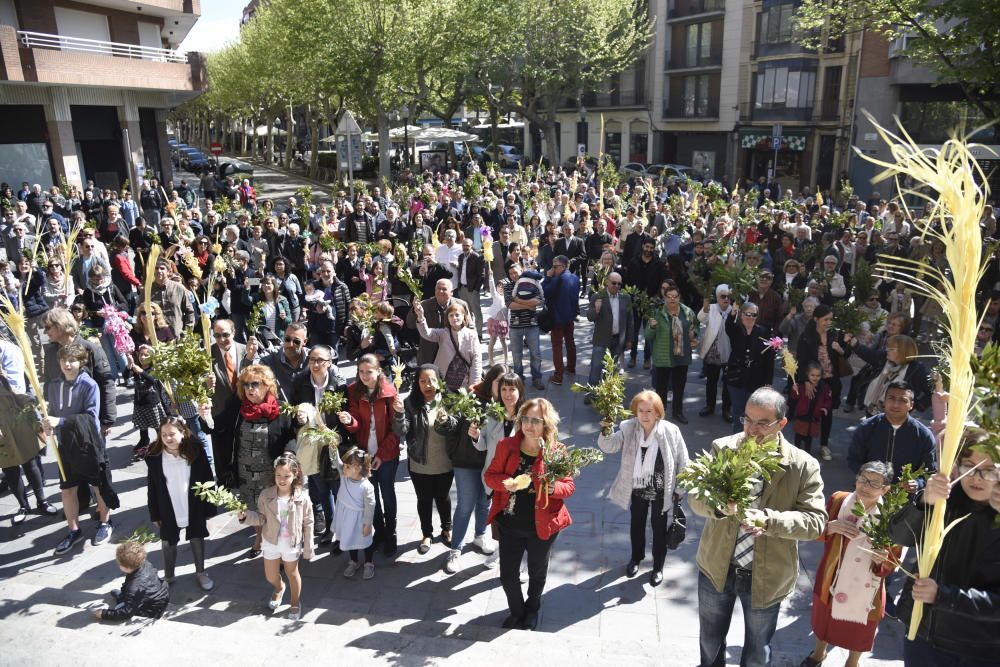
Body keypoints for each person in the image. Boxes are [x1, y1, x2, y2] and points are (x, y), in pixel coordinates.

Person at [689, 387, 826, 667]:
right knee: (710, 641)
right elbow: (694, 498)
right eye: (748, 419)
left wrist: (770, 520)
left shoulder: (803, 465)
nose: (752, 429)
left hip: (767, 574)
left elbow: (815, 522)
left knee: (757, 652)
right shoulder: (723, 448)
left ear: (782, 423)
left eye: (763, 423)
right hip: (717, 566)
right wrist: (716, 506)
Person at [889, 430, 1000, 667]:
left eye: (989, 470)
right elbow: (898, 536)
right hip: (922, 635)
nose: (977, 477)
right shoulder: (944, 499)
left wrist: (944, 596)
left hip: (979, 649)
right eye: (969, 466)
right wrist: (923, 501)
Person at [485, 397, 575, 631]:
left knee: (537, 573)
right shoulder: (506, 445)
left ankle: (532, 608)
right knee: (507, 575)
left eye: (536, 420)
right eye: (525, 419)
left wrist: (553, 488)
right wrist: (506, 483)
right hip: (510, 524)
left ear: (546, 424)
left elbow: (569, 486)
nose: (529, 425)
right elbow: (490, 476)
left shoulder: (556, 450)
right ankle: (517, 611)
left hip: (541, 526)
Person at [803, 461, 900, 667]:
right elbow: (816, 531)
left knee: (862, 627)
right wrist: (830, 527)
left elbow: (894, 558)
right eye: (863, 479)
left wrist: (883, 559)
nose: (866, 486)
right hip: (833, 573)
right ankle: (819, 654)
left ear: (886, 489)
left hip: (868, 583)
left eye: (874, 483)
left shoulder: (892, 515)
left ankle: (852, 662)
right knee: (825, 618)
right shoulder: (839, 500)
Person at [597, 390, 689, 586]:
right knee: (636, 524)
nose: (645, 415)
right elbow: (610, 446)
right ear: (635, 411)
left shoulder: (671, 431)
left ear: (658, 412)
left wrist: (679, 489)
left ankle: (658, 567)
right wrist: (606, 430)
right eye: (641, 411)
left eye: (649, 411)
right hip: (637, 486)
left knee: (658, 528)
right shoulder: (629, 427)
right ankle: (636, 558)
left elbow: (683, 462)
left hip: (661, 489)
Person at [47, 344, 116, 555]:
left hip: (88, 445)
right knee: (68, 489)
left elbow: (90, 419)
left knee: (98, 485)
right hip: (65, 445)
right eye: (63, 360)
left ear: (81, 362)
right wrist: (45, 426)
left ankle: (105, 522)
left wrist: (59, 421)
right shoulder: (53, 385)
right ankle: (73, 529)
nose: (67, 364)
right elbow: (50, 411)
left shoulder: (89, 385)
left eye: (72, 360)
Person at [338, 354, 402, 555]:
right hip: (364, 456)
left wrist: (381, 455)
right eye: (360, 371)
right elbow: (356, 426)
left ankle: (391, 531)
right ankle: (379, 531)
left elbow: (396, 431)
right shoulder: (354, 391)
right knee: (370, 495)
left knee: (387, 493)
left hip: (387, 455)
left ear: (379, 371)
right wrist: (349, 421)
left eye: (369, 371)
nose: (364, 376)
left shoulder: (391, 394)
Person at [238, 452, 314, 621]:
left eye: (287, 476)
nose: (282, 479)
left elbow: (308, 522)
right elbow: (261, 518)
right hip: (271, 540)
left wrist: (308, 547)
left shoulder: (302, 497)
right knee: (270, 576)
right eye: (278, 475)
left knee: (292, 572)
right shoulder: (266, 495)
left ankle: (295, 603)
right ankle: (279, 588)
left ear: (295, 475)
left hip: (291, 543)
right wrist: (245, 517)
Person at [231, 364, 297, 557]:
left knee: (278, 511)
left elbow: (291, 437)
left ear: (267, 385)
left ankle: (283, 545)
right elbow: (216, 426)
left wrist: (288, 456)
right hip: (246, 474)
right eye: (246, 384)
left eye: (255, 384)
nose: (250, 389)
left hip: (272, 474)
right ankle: (259, 540)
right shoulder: (239, 408)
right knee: (254, 509)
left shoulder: (281, 409)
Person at [393, 364, 459, 555]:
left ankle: (447, 529)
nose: (428, 385)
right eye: (423, 381)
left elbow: (456, 427)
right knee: (424, 499)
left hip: (445, 461)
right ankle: (426, 534)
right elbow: (401, 431)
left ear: (439, 381)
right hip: (419, 462)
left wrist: (448, 421)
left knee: (443, 497)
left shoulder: (449, 400)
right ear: (417, 383)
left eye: (432, 380)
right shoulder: (410, 403)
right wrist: (398, 414)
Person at [145, 417, 216, 591]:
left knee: (196, 537)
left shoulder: (195, 451)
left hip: (193, 505)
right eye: (164, 435)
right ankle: (168, 576)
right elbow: (152, 488)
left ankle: (200, 572)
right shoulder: (154, 457)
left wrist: (210, 506)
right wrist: (154, 514)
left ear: (183, 433)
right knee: (168, 542)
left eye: (172, 434)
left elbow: (208, 478)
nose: (168, 438)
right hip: (168, 507)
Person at [289, 344, 347, 545]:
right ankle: (331, 528)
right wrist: (299, 419)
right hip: (311, 444)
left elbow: (346, 416)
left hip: (333, 443)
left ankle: (343, 530)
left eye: (320, 360)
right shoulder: (300, 382)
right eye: (312, 359)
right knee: (321, 489)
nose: (314, 364)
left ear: (329, 363)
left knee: (338, 488)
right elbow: (293, 415)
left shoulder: (339, 385)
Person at [847, 381, 937, 482]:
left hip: (905, 495)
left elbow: (929, 471)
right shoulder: (867, 428)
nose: (895, 404)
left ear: (911, 404)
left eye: (903, 400)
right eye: (891, 398)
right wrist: (869, 477)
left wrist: (916, 484)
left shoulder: (923, 436)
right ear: (884, 400)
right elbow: (853, 460)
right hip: (870, 490)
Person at [647, 281, 698, 424]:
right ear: (665, 297)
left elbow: (696, 327)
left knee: (679, 387)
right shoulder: (657, 313)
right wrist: (651, 327)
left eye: (675, 296)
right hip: (663, 356)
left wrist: (693, 333)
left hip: (681, 356)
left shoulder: (687, 312)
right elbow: (648, 336)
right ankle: (660, 414)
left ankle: (677, 412)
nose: (672, 299)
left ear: (679, 297)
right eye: (669, 296)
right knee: (661, 388)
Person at [724, 301, 776, 433]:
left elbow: (769, 359)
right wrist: (733, 312)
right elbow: (728, 326)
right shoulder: (736, 329)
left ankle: (750, 439)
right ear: (741, 315)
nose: (751, 317)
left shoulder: (763, 331)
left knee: (752, 413)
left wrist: (768, 382)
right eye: (748, 314)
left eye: (754, 315)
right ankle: (737, 440)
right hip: (736, 378)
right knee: (738, 413)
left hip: (755, 379)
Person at [91, 541, 169, 622]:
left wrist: (103, 614)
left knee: (120, 609)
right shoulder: (144, 563)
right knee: (129, 595)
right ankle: (123, 598)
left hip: (152, 610)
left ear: (126, 567)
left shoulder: (134, 587)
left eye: (119, 563)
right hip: (160, 596)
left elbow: (127, 613)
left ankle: (123, 601)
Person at [584, 271, 632, 402]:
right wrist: (597, 309)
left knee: (611, 369)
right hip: (601, 340)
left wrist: (629, 339)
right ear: (607, 282)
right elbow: (590, 317)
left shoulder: (625, 297)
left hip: (618, 340)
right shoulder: (598, 296)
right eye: (614, 283)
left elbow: (629, 320)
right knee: (596, 367)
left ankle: (606, 393)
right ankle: (591, 393)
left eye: (619, 284)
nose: (616, 286)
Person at [413, 300, 482, 391]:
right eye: (451, 315)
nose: (454, 318)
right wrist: (420, 316)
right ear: (448, 319)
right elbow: (426, 333)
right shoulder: (443, 333)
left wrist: (474, 384)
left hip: (464, 382)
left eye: (457, 315)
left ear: (463, 317)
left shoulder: (471, 334)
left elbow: (476, 359)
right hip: (444, 379)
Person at [332, 447, 377, 579]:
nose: (342, 468)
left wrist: (367, 524)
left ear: (357, 468)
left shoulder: (367, 486)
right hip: (346, 517)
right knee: (350, 537)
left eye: (347, 466)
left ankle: (369, 562)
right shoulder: (344, 476)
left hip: (359, 519)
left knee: (365, 541)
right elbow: (336, 460)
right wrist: (332, 445)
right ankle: (354, 561)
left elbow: (370, 506)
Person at [405, 279, 472, 366]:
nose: (440, 291)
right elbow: (410, 324)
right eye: (438, 288)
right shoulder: (424, 305)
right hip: (429, 354)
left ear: (451, 292)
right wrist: (415, 311)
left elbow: (469, 326)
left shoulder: (461, 305)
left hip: (453, 353)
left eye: (444, 289)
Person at [504, 267, 546, 390]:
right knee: (517, 356)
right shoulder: (508, 286)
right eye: (510, 273)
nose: (513, 275)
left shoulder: (532, 282)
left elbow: (539, 301)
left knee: (536, 354)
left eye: (515, 272)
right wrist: (529, 305)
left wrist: (518, 300)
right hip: (515, 326)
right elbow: (509, 305)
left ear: (521, 271)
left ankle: (537, 378)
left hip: (532, 325)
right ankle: (519, 379)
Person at [542, 254, 580, 386]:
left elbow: (545, 291)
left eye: (555, 266)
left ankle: (558, 375)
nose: (553, 269)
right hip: (570, 316)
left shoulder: (559, 279)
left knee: (557, 345)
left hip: (558, 318)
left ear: (562, 266)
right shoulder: (575, 278)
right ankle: (571, 367)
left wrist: (547, 277)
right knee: (570, 343)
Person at [698, 285, 733, 421]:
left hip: (728, 351)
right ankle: (710, 406)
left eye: (728, 296)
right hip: (713, 351)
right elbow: (700, 318)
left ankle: (726, 409)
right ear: (717, 297)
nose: (726, 299)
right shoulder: (711, 307)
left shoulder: (733, 310)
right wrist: (705, 309)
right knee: (711, 380)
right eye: (722, 296)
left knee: (727, 382)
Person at [790, 362, 832, 455]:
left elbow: (828, 400)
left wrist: (825, 408)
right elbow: (795, 397)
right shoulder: (801, 386)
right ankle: (796, 453)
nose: (815, 378)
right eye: (812, 375)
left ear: (821, 376)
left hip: (814, 417)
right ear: (807, 375)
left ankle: (806, 454)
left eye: (818, 375)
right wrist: (794, 390)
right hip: (802, 416)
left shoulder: (824, 388)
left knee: (809, 437)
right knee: (798, 436)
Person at [455, 238, 485, 338]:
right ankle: (468, 333)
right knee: (465, 312)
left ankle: (479, 334)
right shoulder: (460, 257)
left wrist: (476, 289)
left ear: (471, 246)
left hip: (472, 289)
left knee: (476, 312)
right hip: (462, 289)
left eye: (467, 246)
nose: (465, 248)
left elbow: (482, 275)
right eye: (463, 245)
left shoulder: (477, 257)